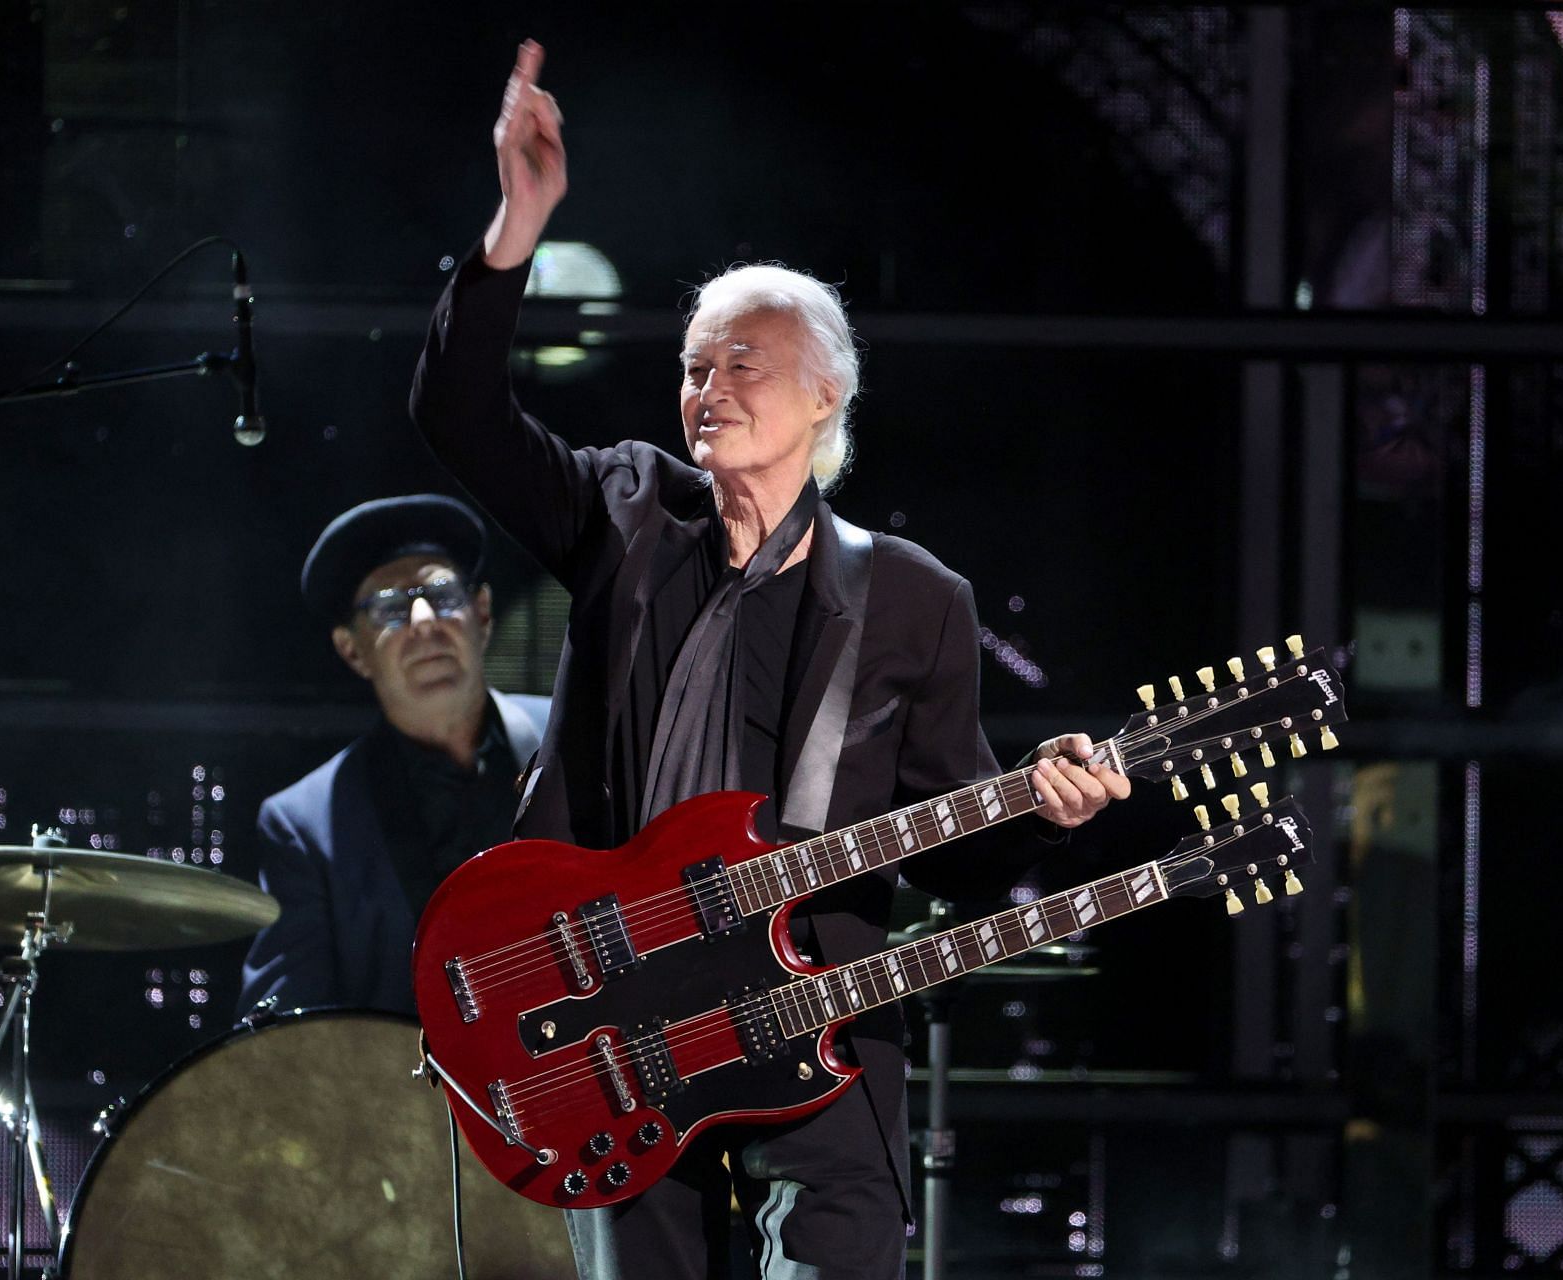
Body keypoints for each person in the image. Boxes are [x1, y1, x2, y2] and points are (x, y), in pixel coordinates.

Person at [408, 42, 1130, 1280]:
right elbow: (459, 417)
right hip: (619, 1014)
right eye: (693, 365)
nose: (706, 387)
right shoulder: (628, 510)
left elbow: (953, 840)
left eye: (742, 361)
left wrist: (1046, 810)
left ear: (824, 397)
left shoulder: (911, 598)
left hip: (815, 1014)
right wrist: (514, 227)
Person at [238, 494, 550, 1018]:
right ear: (352, 650)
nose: (425, 620)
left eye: (443, 593)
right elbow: (288, 1050)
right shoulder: (305, 822)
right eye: (390, 606)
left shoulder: (578, 736)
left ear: (483, 613)